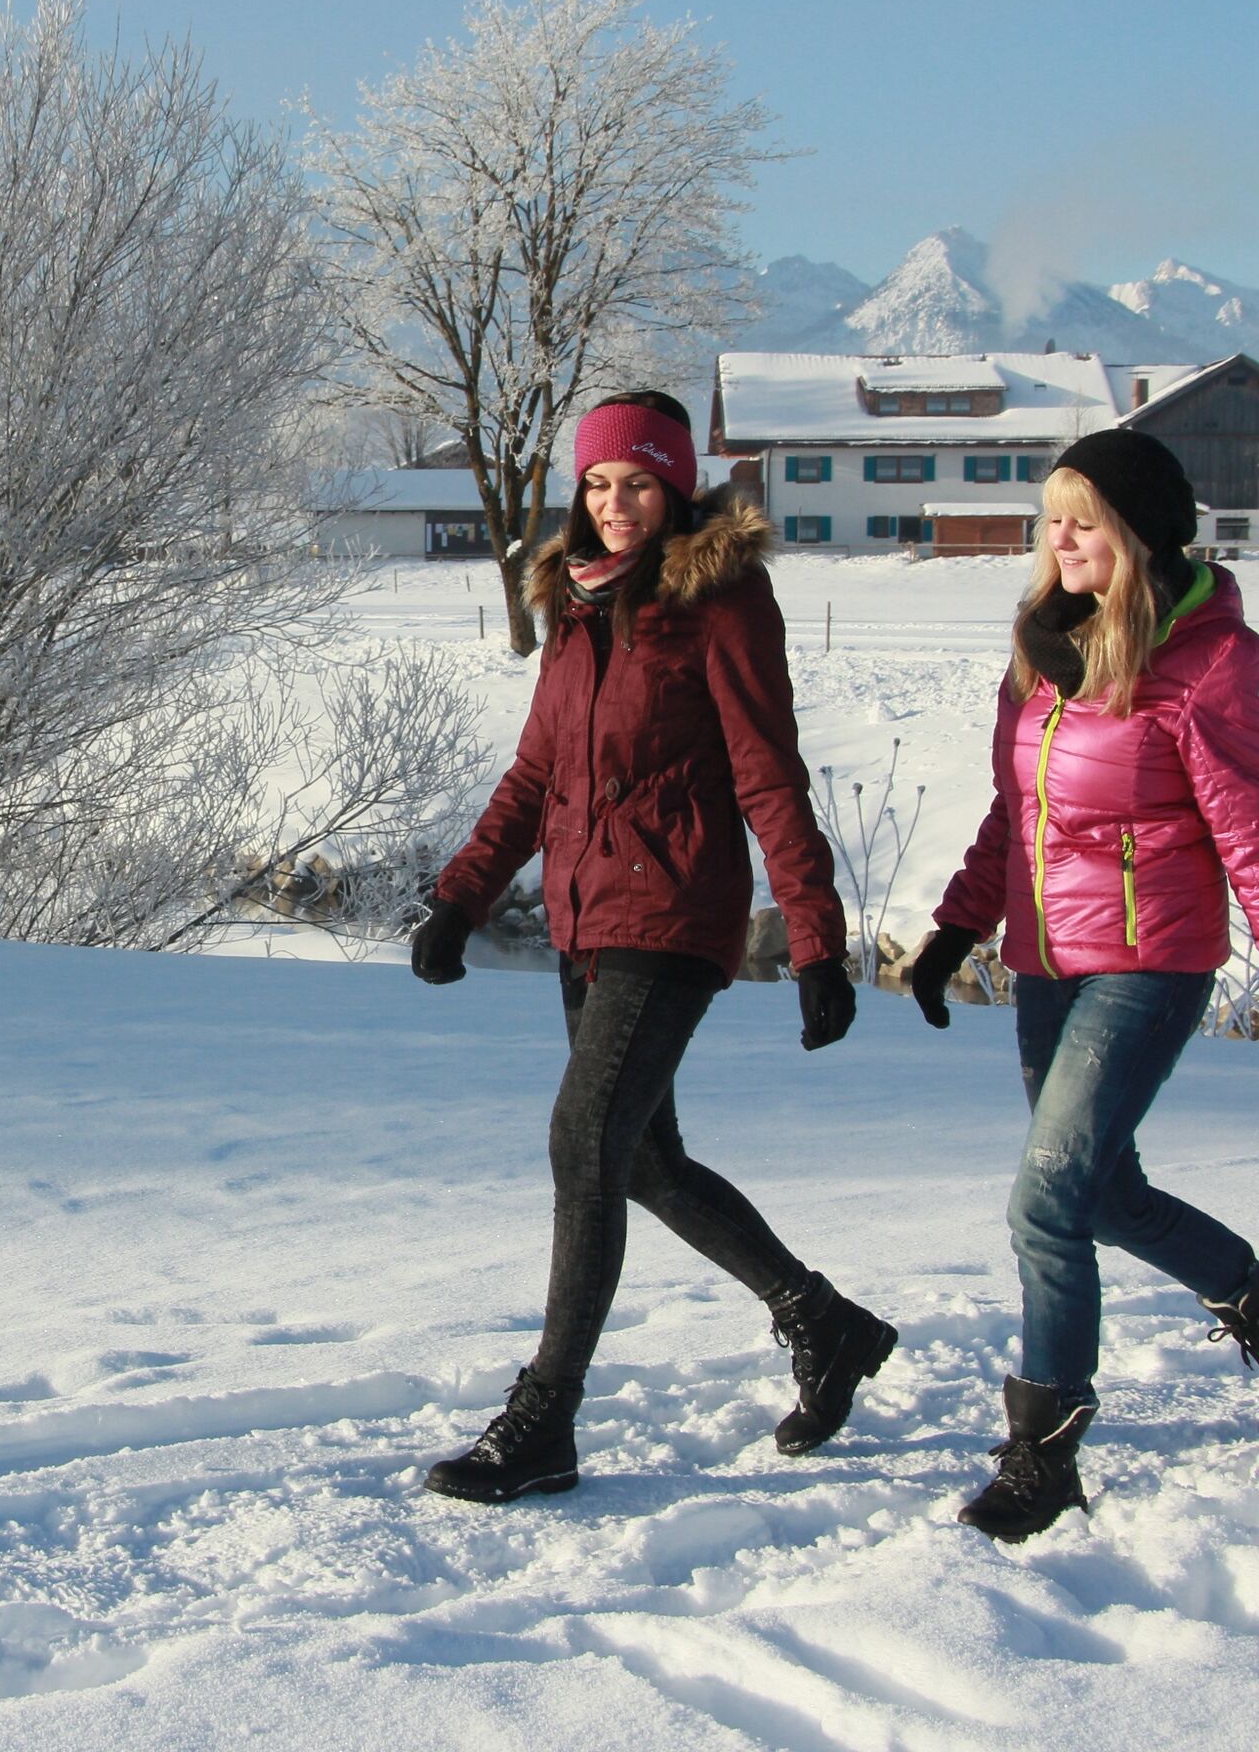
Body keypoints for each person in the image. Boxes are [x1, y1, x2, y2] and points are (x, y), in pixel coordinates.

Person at [410, 391, 896, 1505]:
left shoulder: (717, 602)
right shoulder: (576, 607)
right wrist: (460, 898)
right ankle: (824, 1321)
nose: (614, 503)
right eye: (596, 483)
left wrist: (815, 940)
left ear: (675, 488)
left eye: (636, 482)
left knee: (583, 1141)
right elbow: (535, 775)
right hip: (585, 916)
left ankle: (546, 1418)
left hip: (674, 911)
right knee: (639, 1160)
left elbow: (769, 775)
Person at [913, 428, 1259, 1543]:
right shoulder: (1040, 651)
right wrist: (955, 926)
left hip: (1150, 963)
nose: (1060, 541)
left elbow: (1250, 831)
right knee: (1103, 1194)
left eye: (1085, 521)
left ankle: (1043, 1452)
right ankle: (1247, 1289)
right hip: (1044, 964)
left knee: (1046, 1203)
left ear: (1141, 536)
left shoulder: (1211, 663)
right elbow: (1016, 815)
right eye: (1051, 519)